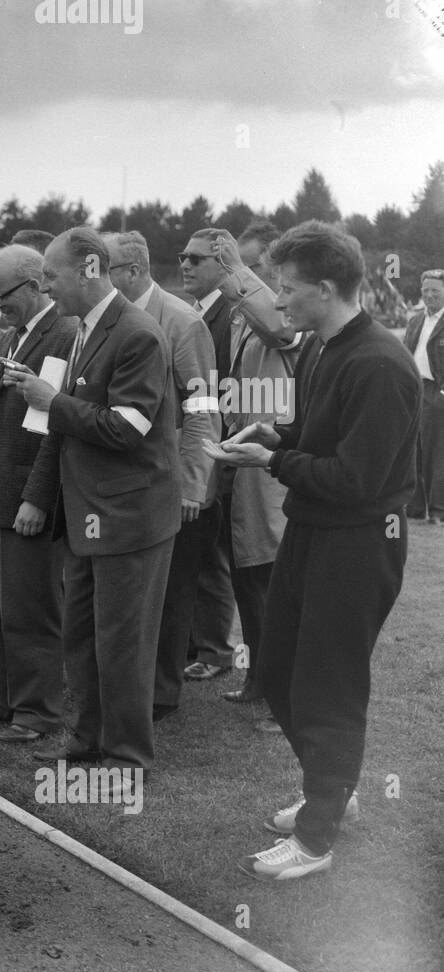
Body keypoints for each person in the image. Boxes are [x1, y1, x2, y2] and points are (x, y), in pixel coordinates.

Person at [221, 222, 419, 880]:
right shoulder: (319, 348)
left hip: (360, 542)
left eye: (288, 288)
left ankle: (316, 837)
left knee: (328, 687)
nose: (279, 300)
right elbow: (311, 433)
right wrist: (271, 432)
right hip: (313, 530)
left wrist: (272, 458)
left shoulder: (381, 363)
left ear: (327, 289)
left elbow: (354, 479)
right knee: (278, 669)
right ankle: (333, 785)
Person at [10, 227, 181, 776]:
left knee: (123, 643)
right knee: (81, 635)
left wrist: (51, 402)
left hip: (129, 517)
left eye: (52, 277)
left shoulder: (137, 333)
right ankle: (84, 739)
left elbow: (128, 428)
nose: (46, 288)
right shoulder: (83, 327)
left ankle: (128, 757)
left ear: (88, 268)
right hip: (88, 514)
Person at [0, 243, 75, 744]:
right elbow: (12, 406)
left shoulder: (62, 335)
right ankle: (2, 697)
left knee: (30, 607)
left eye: (2, 295)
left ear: (34, 285)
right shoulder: (13, 332)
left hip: (24, 493)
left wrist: (37, 497)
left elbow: (52, 425)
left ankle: (37, 711)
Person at [104, 229, 220, 722]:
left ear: (132, 271)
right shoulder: (108, 319)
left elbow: (202, 409)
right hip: (121, 481)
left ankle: (160, 694)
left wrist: (194, 484)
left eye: (101, 269)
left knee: (170, 593)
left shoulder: (181, 321)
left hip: (171, 482)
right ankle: (125, 684)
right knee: (128, 590)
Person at [212, 223, 302, 729]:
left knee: (272, 577)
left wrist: (238, 274)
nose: (238, 275)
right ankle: (259, 680)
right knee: (248, 574)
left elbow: (281, 330)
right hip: (244, 455)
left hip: (272, 461)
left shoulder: (287, 313)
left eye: (249, 265)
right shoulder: (247, 310)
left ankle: (283, 693)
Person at [180, 228, 239, 683]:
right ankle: (194, 641)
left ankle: (216, 648)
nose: (185, 265)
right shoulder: (192, 312)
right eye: (182, 257)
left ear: (222, 264)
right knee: (191, 552)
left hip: (214, 444)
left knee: (210, 553)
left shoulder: (230, 315)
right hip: (195, 440)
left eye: (196, 259)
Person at [404, 268, 444, 524]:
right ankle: (415, 508)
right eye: (426, 291)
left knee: (435, 453)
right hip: (413, 390)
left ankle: (438, 510)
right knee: (412, 451)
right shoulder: (416, 320)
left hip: (435, 392)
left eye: (436, 291)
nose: (430, 296)